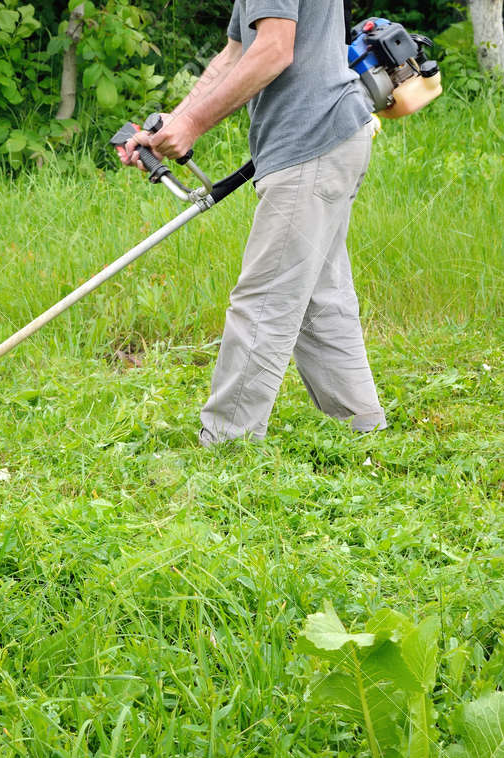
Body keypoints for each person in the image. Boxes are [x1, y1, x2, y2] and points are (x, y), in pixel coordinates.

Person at [118, 0, 386, 445]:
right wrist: (175, 121)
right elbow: (237, 52)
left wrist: (192, 126)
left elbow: (274, 50)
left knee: (266, 299)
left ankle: (227, 442)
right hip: (327, 138)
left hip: (311, 140)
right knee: (319, 295)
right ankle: (362, 425)